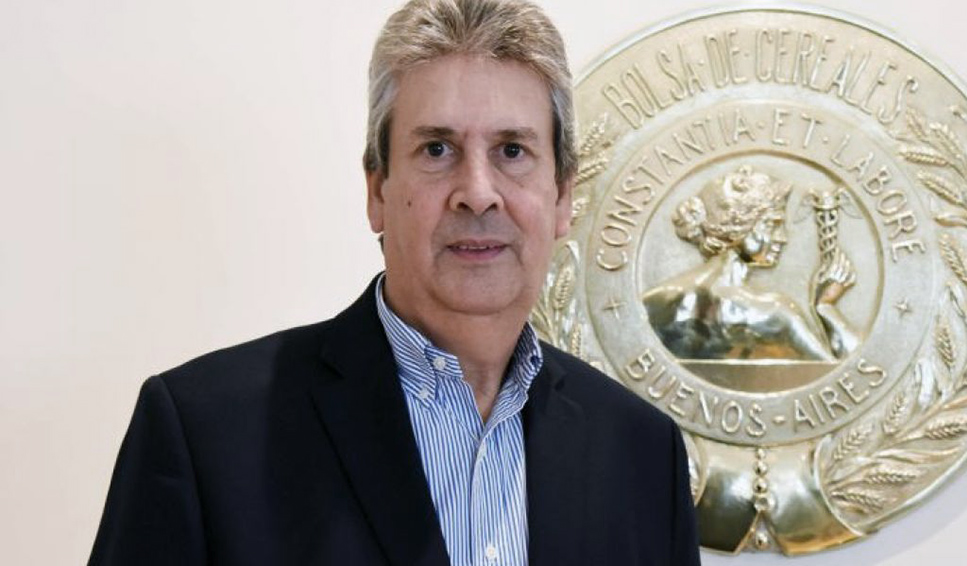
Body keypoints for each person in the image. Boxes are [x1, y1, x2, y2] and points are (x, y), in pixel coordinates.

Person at [88, 1, 700, 564]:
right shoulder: (205, 435)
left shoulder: (644, 455)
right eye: (437, 150)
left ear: (562, 196)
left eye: (512, 151)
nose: (477, 192)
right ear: (377, 189)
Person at [643, 165, 859, 362]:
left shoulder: (654, 301)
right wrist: (826, 308)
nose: (782, 238)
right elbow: (844, 375)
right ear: (737, 227)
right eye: (771, 224)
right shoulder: (776, 314)